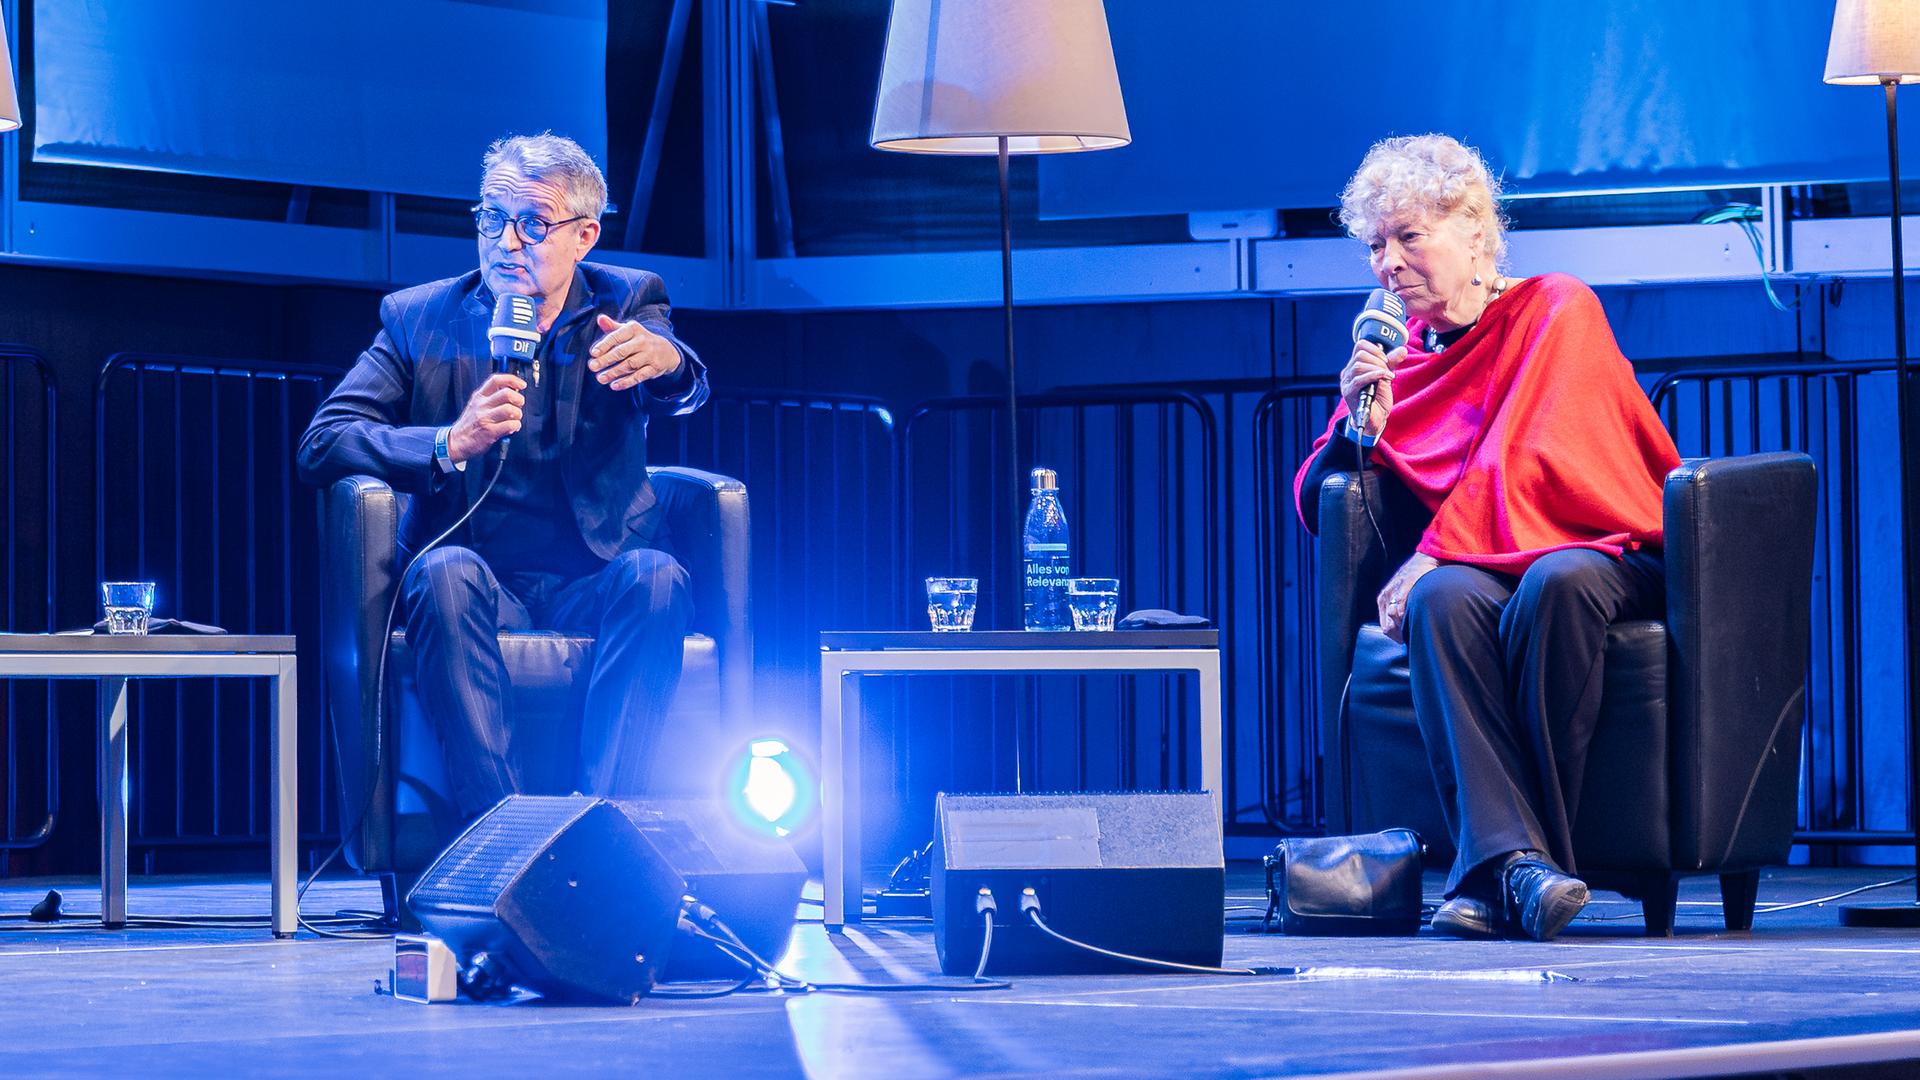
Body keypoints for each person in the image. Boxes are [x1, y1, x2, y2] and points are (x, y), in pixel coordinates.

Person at [1293, 134, 1681, 941]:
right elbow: (1331, 488)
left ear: (1474, 230)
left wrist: (1437, 545)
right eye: (1375, 244)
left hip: (1603, 542)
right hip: (1483, 556)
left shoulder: (1555, 305)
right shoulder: (1406, 358)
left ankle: (1491, 874)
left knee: (1556, 583)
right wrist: (1359, 425)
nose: (1388, 264)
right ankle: (1521, 873)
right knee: (1439, 598)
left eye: (1408, 237)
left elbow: (1531, 450)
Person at [297, 132, 709, 824]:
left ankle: (599, 828)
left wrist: (668, 361)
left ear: (585, 236)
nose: (506, 243)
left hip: (595, 581)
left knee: (659, 577)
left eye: (533, 224)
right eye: (492, 218)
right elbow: (322, 442)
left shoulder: (628, 297)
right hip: (482, 585)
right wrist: (447, 442)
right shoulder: (418, 318)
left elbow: (682, 376)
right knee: (444, 571)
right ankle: (505, 834)